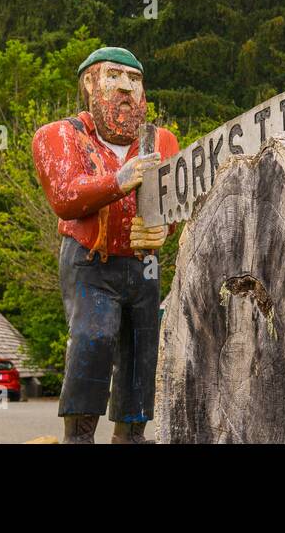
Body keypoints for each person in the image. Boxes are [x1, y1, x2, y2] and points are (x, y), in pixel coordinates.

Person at [32, 47, 179, 443]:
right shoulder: (58, 135)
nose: (128, 89)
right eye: (115, 77)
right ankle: (79, 435)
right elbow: (65, 195)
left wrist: (164, 228)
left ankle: (131, 434)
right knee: (92, 338)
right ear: (90, 83)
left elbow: (176, 199)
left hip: (142, 265)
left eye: (135, 80)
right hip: (89, 261)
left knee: (144, 347)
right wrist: (119, 180)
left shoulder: (161, 141)